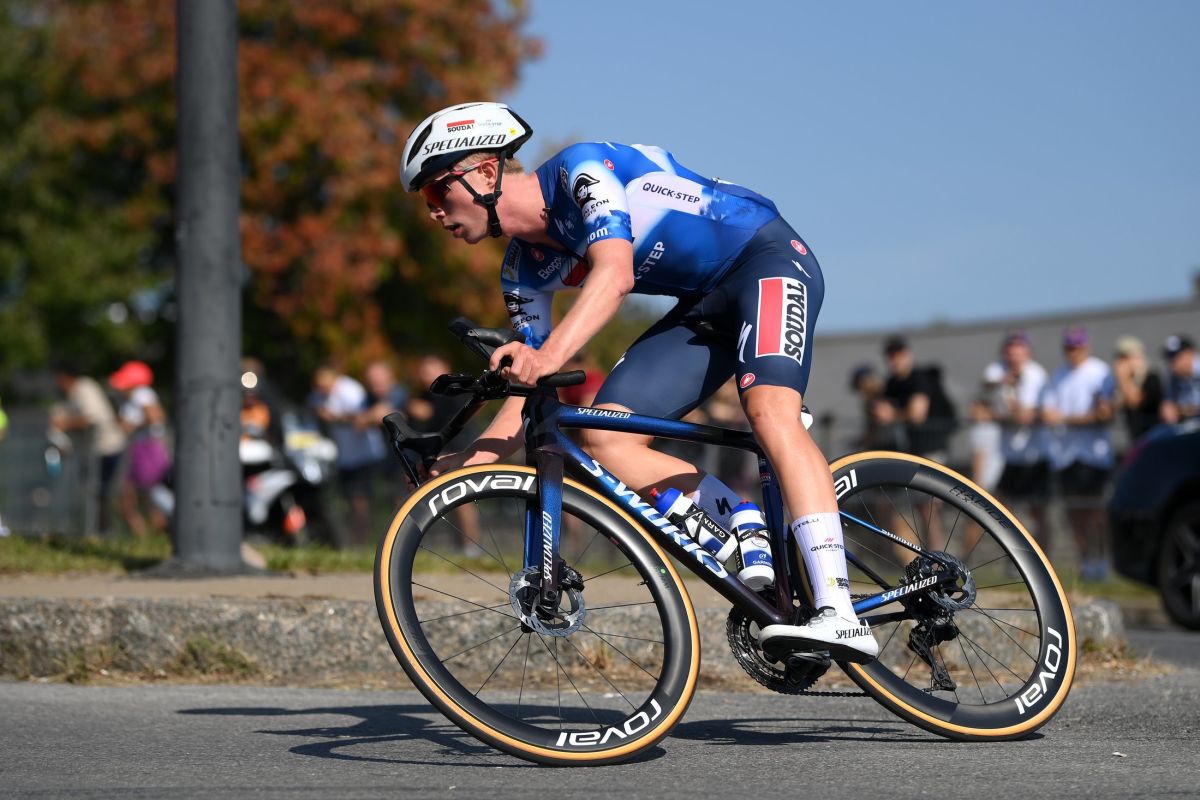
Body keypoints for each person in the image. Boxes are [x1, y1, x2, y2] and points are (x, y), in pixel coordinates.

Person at [399, 101, 876, 661]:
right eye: (425, 202)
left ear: (484, 172)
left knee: (770, 412)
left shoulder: (580, 171)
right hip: (703, 306)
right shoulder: (521, 272)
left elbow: (615, 273)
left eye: (437, 191)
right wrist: (463, 466)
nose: (434, 212)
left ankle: (839, 612)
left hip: (766, 259)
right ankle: (740, 519)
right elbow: (526, 395)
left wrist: (545, 354)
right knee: (605, 437)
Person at [1041, 326, 1115, 582]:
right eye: (1069, 347)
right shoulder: (1058, 376)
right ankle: (1085, 562)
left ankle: (1101, 561)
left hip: (1094, 456)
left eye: (1078, 346)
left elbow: (1104, 414)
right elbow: (1048, 414)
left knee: (1096, 513)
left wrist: (1067, 419)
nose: (1073, 351)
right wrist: (1074, 418)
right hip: (1066, 457)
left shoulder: (1100, 372)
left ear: (1087, 346)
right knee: (1074, 514)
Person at [310, 364, 387, 547]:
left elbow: (363, 419)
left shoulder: (350, 391)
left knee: (361, 499)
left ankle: (366, 540)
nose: (322, 389)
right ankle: (356, 540)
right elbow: (313, 407)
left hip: (365, 455)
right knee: (349, 500)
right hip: (345, 456)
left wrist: (335, 418)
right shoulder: (319, 395)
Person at [50, 362, 128, 534]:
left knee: (105, 495)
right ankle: (97, 531)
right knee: (93, 495)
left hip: (108, 448)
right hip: (93, 452)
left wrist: (66, 423)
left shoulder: (84, 388)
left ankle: (106, 532)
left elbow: (92, 419)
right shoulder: (70, 395)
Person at [990, 331, 1051, 550]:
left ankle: (1044, 558)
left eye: (1018, 352)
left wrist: (1002, 411)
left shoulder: (1036, 374)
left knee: (1038, 512)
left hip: (1035, 456)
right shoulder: (997, 372)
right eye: (1010, 352)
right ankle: (1014, 557)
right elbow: (977, 406)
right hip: (1010, 456)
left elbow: (1024, 417)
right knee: (1001, 511)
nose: (1014, 357)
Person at [109, 360, 171, 538]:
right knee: (129, 499)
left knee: (150, 498)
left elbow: (156, 417)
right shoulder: (131, 400)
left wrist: (133, 426)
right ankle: (145, 537)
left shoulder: (142, 394)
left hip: (147, 449)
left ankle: (158, 536)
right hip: (138, 449)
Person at [875, 336, 958, 462]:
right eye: (891, 356)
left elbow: (917, 415)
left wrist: (893, 415)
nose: (895, 360)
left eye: (899, 355)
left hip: (931, 448)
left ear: (908, 354)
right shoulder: (893, 383)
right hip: (910, 449)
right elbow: (881, 408)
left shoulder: (920, 378)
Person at [1110, 335, 1162, 444]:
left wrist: (1124, 379)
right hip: (1136, 440)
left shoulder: (1151, 378)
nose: (1123, 363)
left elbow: (1135, 402)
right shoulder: (1121, 384)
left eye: (1127, 358)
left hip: (1154, 439)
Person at [1160, 334, 1200, 424]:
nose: (1172, 364)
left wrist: (1185, 410)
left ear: (1190, 354)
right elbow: (1168, 404)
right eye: (1169, 359)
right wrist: (1168, 408)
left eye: (1176, 358)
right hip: (1187, 424)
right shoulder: (1174, 378)